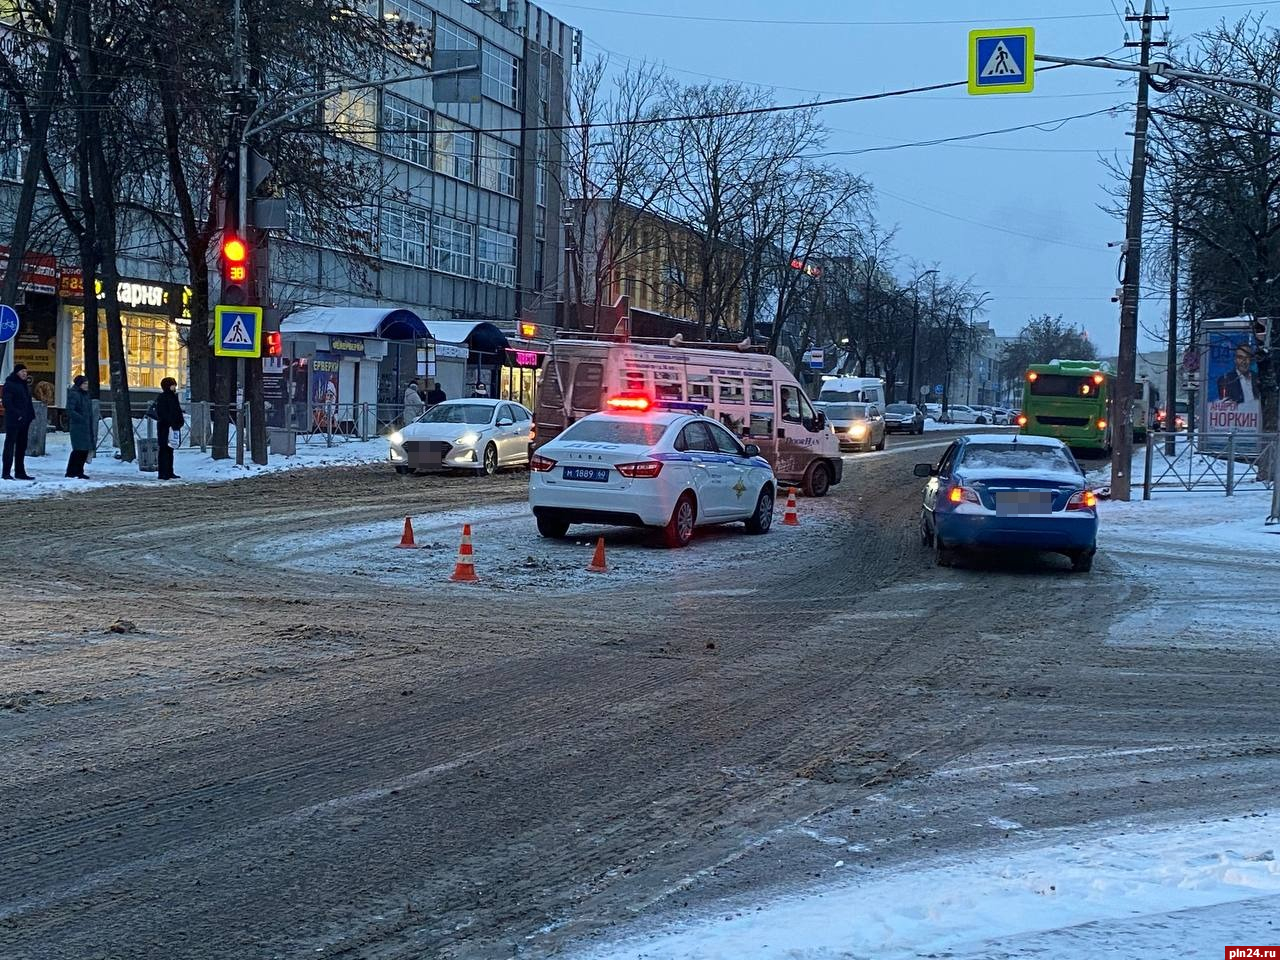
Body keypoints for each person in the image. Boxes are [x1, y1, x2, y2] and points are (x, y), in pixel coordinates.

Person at [2, 363, 36, 481]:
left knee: (22, 446)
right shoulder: (10, 384)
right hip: (13, 420)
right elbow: (7, 403)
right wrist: (18, 415)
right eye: (22, 372)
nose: (25, 374)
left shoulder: (24, 385)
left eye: (26, 372)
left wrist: (30, 415)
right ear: (17, 373)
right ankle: (6, 472)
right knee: (10, 445)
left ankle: (20, 471)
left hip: (25, 420)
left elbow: (27, 402)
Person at [65, 374, 94, 479]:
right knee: (78, 449)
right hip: (78, 426)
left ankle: (79, 471)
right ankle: (71, 471)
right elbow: (70, 410)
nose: (86, 386)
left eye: (87, 384)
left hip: (85, 426)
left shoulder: (85, 395)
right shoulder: (74, 394)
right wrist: (81, 418)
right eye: (84, 383)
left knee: (84, 449)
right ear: (79, 384)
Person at [155, 376, 185, 480]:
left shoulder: (173, 397)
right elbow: (162, 413)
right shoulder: (163, 397)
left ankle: (169, 471)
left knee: (170, 450)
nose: (174, 387)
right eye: (173, 385)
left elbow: (177, 411)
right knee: (164, 450)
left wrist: (179, 422)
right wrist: (171, 422)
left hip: (173, 427)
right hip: (165, 427)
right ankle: (163, 472)